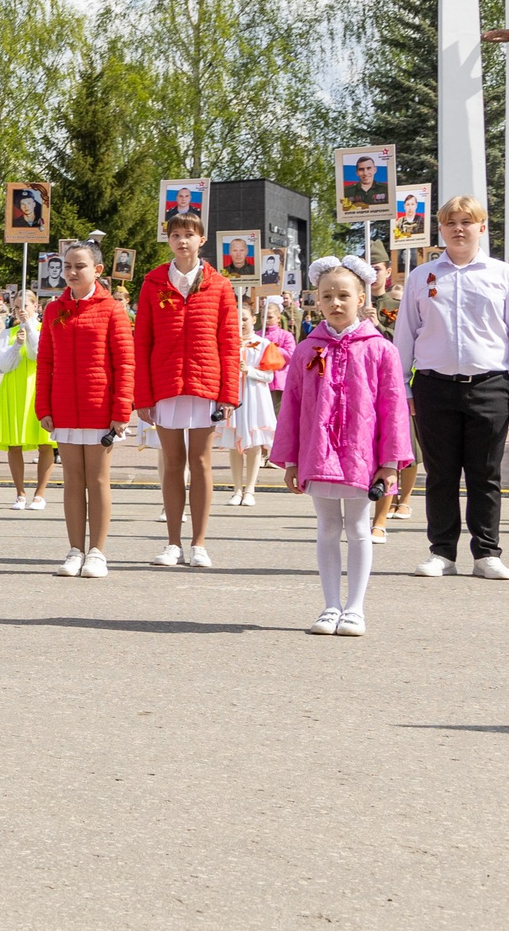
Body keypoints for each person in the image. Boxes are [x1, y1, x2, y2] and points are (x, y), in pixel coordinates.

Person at [395, 196, 509, 580]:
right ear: (441, 229)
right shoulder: (422, 276)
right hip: (433, 386)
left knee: (485, 473)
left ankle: (487, 553)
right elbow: (405, 334)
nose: (458, 229)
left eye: (466, 222)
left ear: (481, 227)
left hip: (490, 385)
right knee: (440, 473)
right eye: (450, 222)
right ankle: (442, 552)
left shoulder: (503, 275)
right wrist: (403, 388)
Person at [270, 257, 411, 637]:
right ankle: (331, 605)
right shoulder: (307, 350)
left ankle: (355, 608)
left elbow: (393, 408)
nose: (335, 302)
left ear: (361, 298)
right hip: (318, 454)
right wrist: (291, 459)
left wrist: (391, 461)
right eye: (327, 295)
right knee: (328, 526)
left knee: (360, 527)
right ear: (317, 299)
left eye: (344, 295)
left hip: (362, 456)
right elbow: (292, 408)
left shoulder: (380, 349)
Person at [134, 212, 239, 568]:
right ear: (168, 240)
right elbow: (141, 341)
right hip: (165, 384)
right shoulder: (153, 283)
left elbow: (229, 342)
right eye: (176, 234)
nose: (182, 240)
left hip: (204, 384)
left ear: (201, 240)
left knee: (201, 462)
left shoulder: (219, 285)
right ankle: (173, 544)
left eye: (189, 235)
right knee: (172, 463)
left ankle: (199, 544)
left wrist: (228, 394)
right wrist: (142, 395)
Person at [34, 240, 134, 579]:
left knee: (98, 479)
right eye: (68, 266)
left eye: (80, 266)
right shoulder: (53, 310)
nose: (72, 272)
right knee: (73, 481)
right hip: (64, 407)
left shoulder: (112, 309)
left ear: (97, 270)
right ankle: (75, 549)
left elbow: (125, 363)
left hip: (99, 408)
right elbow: (46, 361)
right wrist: (44, 406)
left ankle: (97, 552)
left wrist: (121, 410)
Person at [0, 289, 55, 510]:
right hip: (14, 389)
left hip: (38, 386)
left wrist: (29, 328)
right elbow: (3, 364)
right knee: (14, 443)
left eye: (25, 306)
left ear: (36, 307)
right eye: (17, 307)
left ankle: (40, 494)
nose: (21, 311)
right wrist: (16, 345)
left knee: (45, 442)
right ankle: (20, 493)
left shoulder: (45, 329)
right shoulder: (8, 333)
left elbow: (39, 354)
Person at [221, 296, 285, 507]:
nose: (240, 323)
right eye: (236, 319)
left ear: (254, 319)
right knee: (234, 444)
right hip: (233, 395)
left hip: (255, 396)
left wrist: (249, 370)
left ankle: (250, 489)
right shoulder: (227, 343)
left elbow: (269, 376)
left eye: (244, 319)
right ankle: (236, 489)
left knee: (254, 443)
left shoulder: (263, 344)